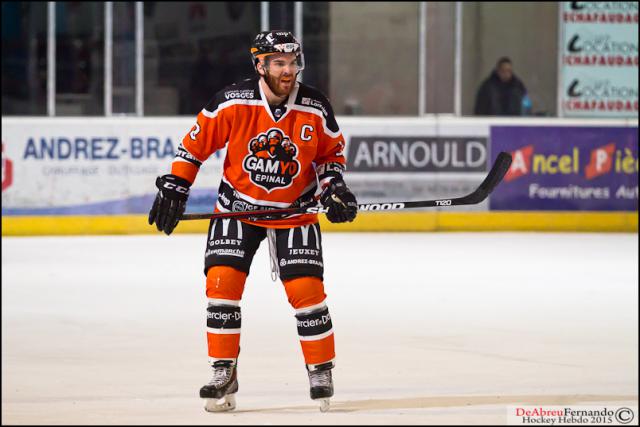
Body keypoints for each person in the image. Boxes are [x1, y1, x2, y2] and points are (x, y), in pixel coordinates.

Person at [148, 30, 358, 413]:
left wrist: (334, 188)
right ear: (260, 65)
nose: (288, 70)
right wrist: (177, 184)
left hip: (294, 209)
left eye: (292, 62)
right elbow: (194, 146)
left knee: (307, 290)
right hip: (237, 207)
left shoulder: (315, 105)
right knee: (222, 285)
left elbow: (330, 155)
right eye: (279, 63)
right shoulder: (231, 101)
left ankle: (320, 370)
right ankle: (223, 370)